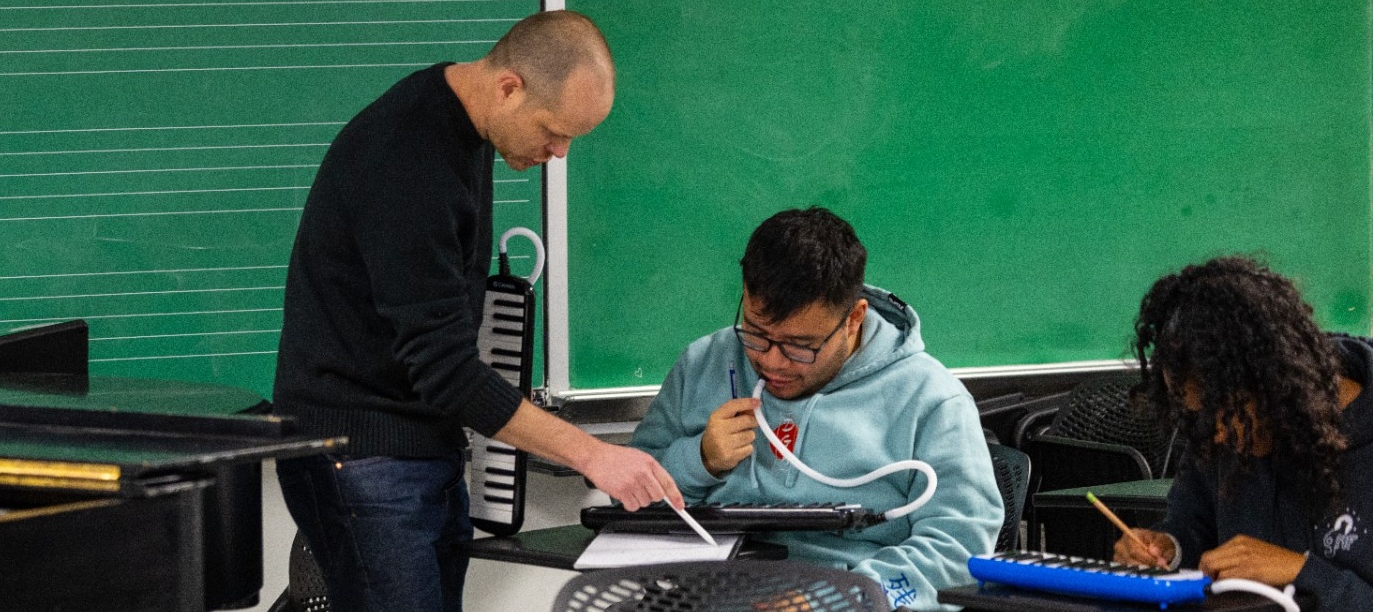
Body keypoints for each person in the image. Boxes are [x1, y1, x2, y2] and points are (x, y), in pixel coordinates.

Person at [271, 11, 680, 612]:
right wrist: (593, 454)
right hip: (360, 455)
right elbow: (446, 370)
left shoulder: (462, 125)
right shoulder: (407, 158)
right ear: (509, 86)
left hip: (414, 448)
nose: (558, 153)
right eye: (553, 131)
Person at [628, 207, 1003, 610]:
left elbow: (958, 552)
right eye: (756, 334)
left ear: (853, 319)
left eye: (799, 346)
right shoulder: (704, 363)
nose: (771, 361)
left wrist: (836, 599)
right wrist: (698, 460)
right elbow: (626, 506)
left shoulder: (931, 400)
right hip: (708, 596)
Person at [1112, 256, 1373, 608]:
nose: (1216, 437)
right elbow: (1194, 527)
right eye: (1198, 418)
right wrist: (1168, 548)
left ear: (1274, 382)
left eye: (1224, 415)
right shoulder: (1220, 438)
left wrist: (1303, 571)